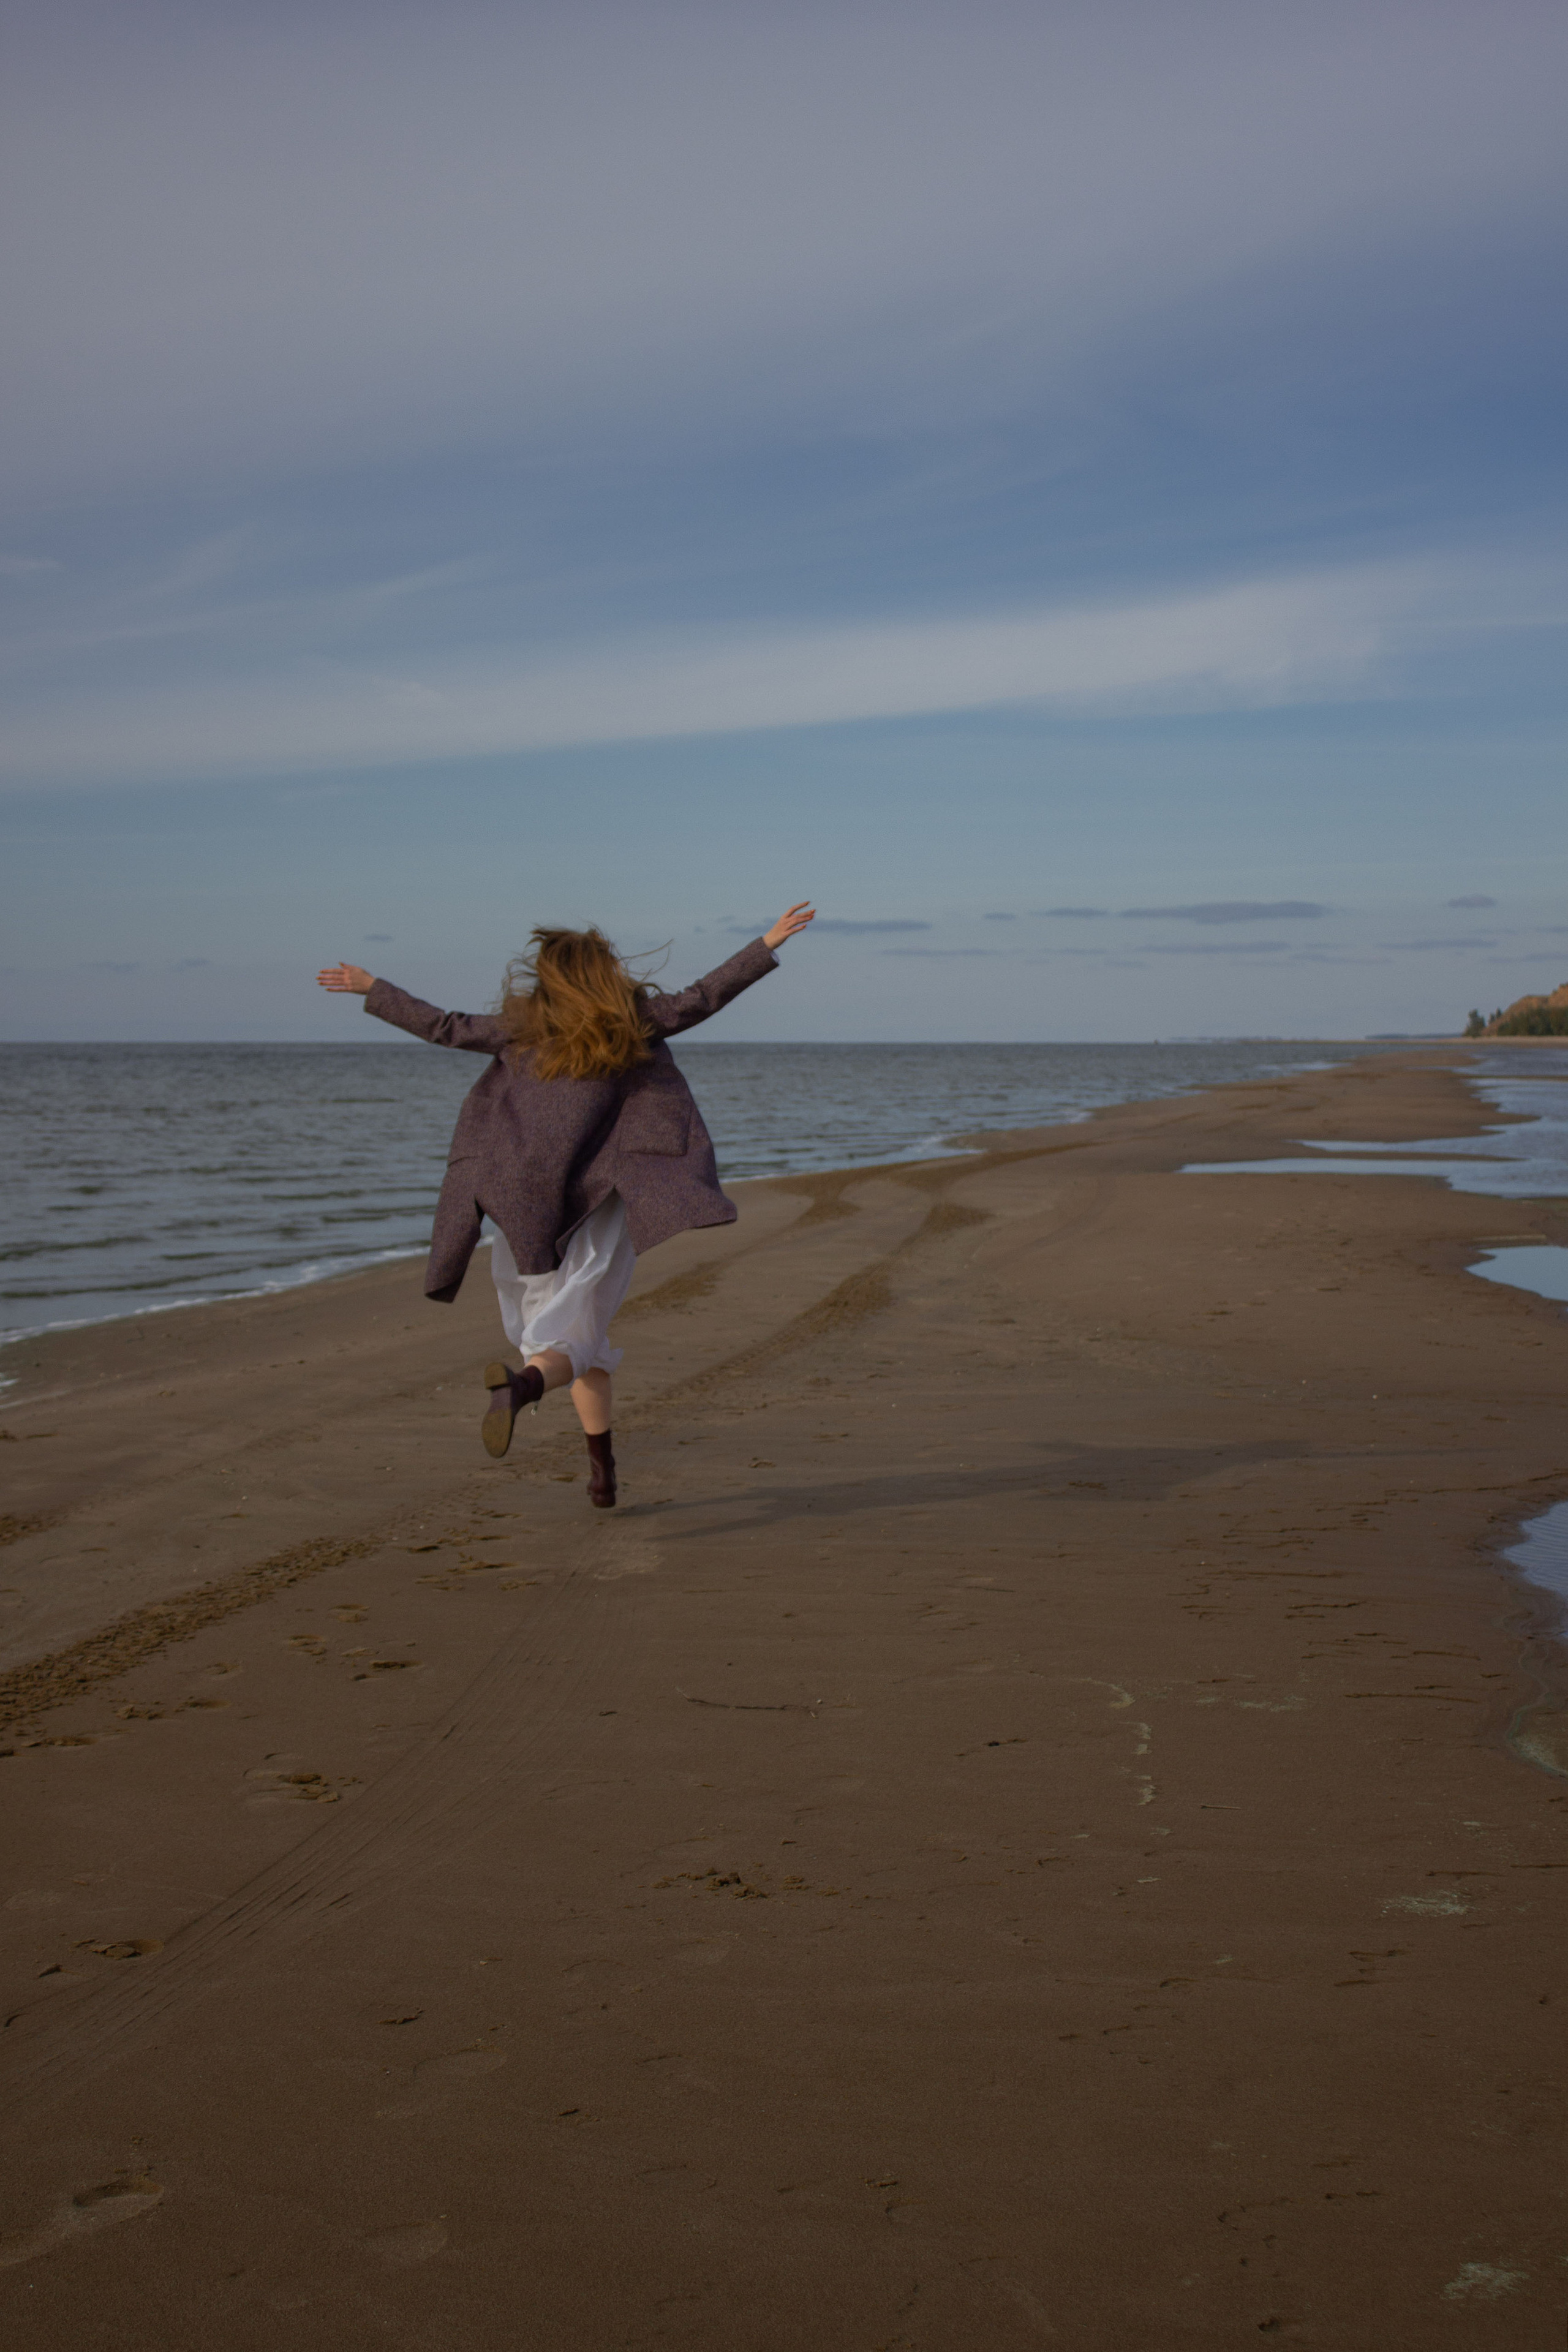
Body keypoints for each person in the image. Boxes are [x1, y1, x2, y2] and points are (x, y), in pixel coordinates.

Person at [317, 905, 815, 1506]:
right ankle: (523, 1389)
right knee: (569, 1343)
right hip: (600, 1203)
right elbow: (703, 996)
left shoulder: (519, 1029)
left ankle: (602, 1476)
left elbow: (444, 1025)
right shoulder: (631, 1022)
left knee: (584, 1343)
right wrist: (764, 944)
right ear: (602, 975)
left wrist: (375, 988)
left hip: (525, 1200)